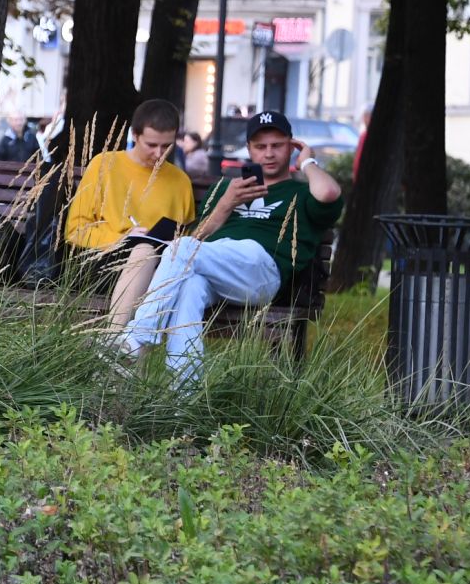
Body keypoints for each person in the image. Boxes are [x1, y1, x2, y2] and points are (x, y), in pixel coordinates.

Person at [122, 109, 344, 378]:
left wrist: (308, 163)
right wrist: (226, 204)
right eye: (261, 147)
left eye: (277, 145)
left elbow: (329, 193)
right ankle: (184, 396)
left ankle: (134, 340)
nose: (269, 153)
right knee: (189, 288)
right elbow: (197, 239)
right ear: (249, 149)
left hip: (262, 270)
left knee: (179, 248)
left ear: (292, 146)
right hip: (215, 266)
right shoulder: (226, 189)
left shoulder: (301, 192)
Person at [64, 99, 197, 326]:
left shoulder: (181, 181)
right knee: (143, 251)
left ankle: (117, 347)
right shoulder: (104, 165)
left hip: (161, 269)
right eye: (152, 145)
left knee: (154, 257)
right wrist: (122, 239)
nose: (159, 154)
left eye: (167, 146)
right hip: (105, 261)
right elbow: (75, 230)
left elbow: (187, 239)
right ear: (134, 135)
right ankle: (114, 339)